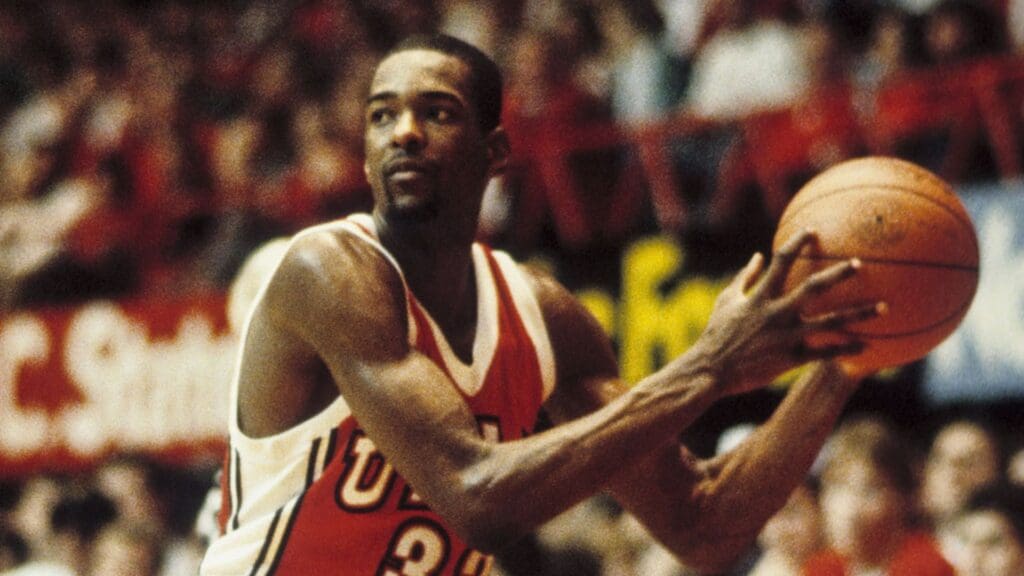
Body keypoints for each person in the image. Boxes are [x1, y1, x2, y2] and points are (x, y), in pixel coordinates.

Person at [199, 34, 881, 575]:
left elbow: (701, 526)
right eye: (382, 115)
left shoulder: (542, 317)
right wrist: (709, 364)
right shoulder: (329, 271)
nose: (403, 132)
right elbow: (478, 499)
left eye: (435, 112)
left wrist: (848, 363)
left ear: (494, 152)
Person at [802, 417, 954, 576]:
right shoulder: (820, 568)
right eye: (837, 486)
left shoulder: (928, 567)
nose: (849, 509)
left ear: (903, 499)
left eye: (869, 491)